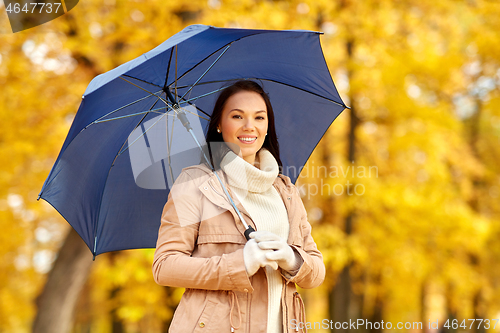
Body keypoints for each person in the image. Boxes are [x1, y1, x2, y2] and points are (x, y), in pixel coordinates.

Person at [152, 80, 325, 333]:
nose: (249, 126)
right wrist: (238, 264)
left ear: (267, 126)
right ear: (220, 125)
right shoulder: (196, 182)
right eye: (237, 116)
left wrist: (292, 259)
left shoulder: (286, 190)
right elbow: (164, 266)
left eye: (259, 117)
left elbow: (316, 272)